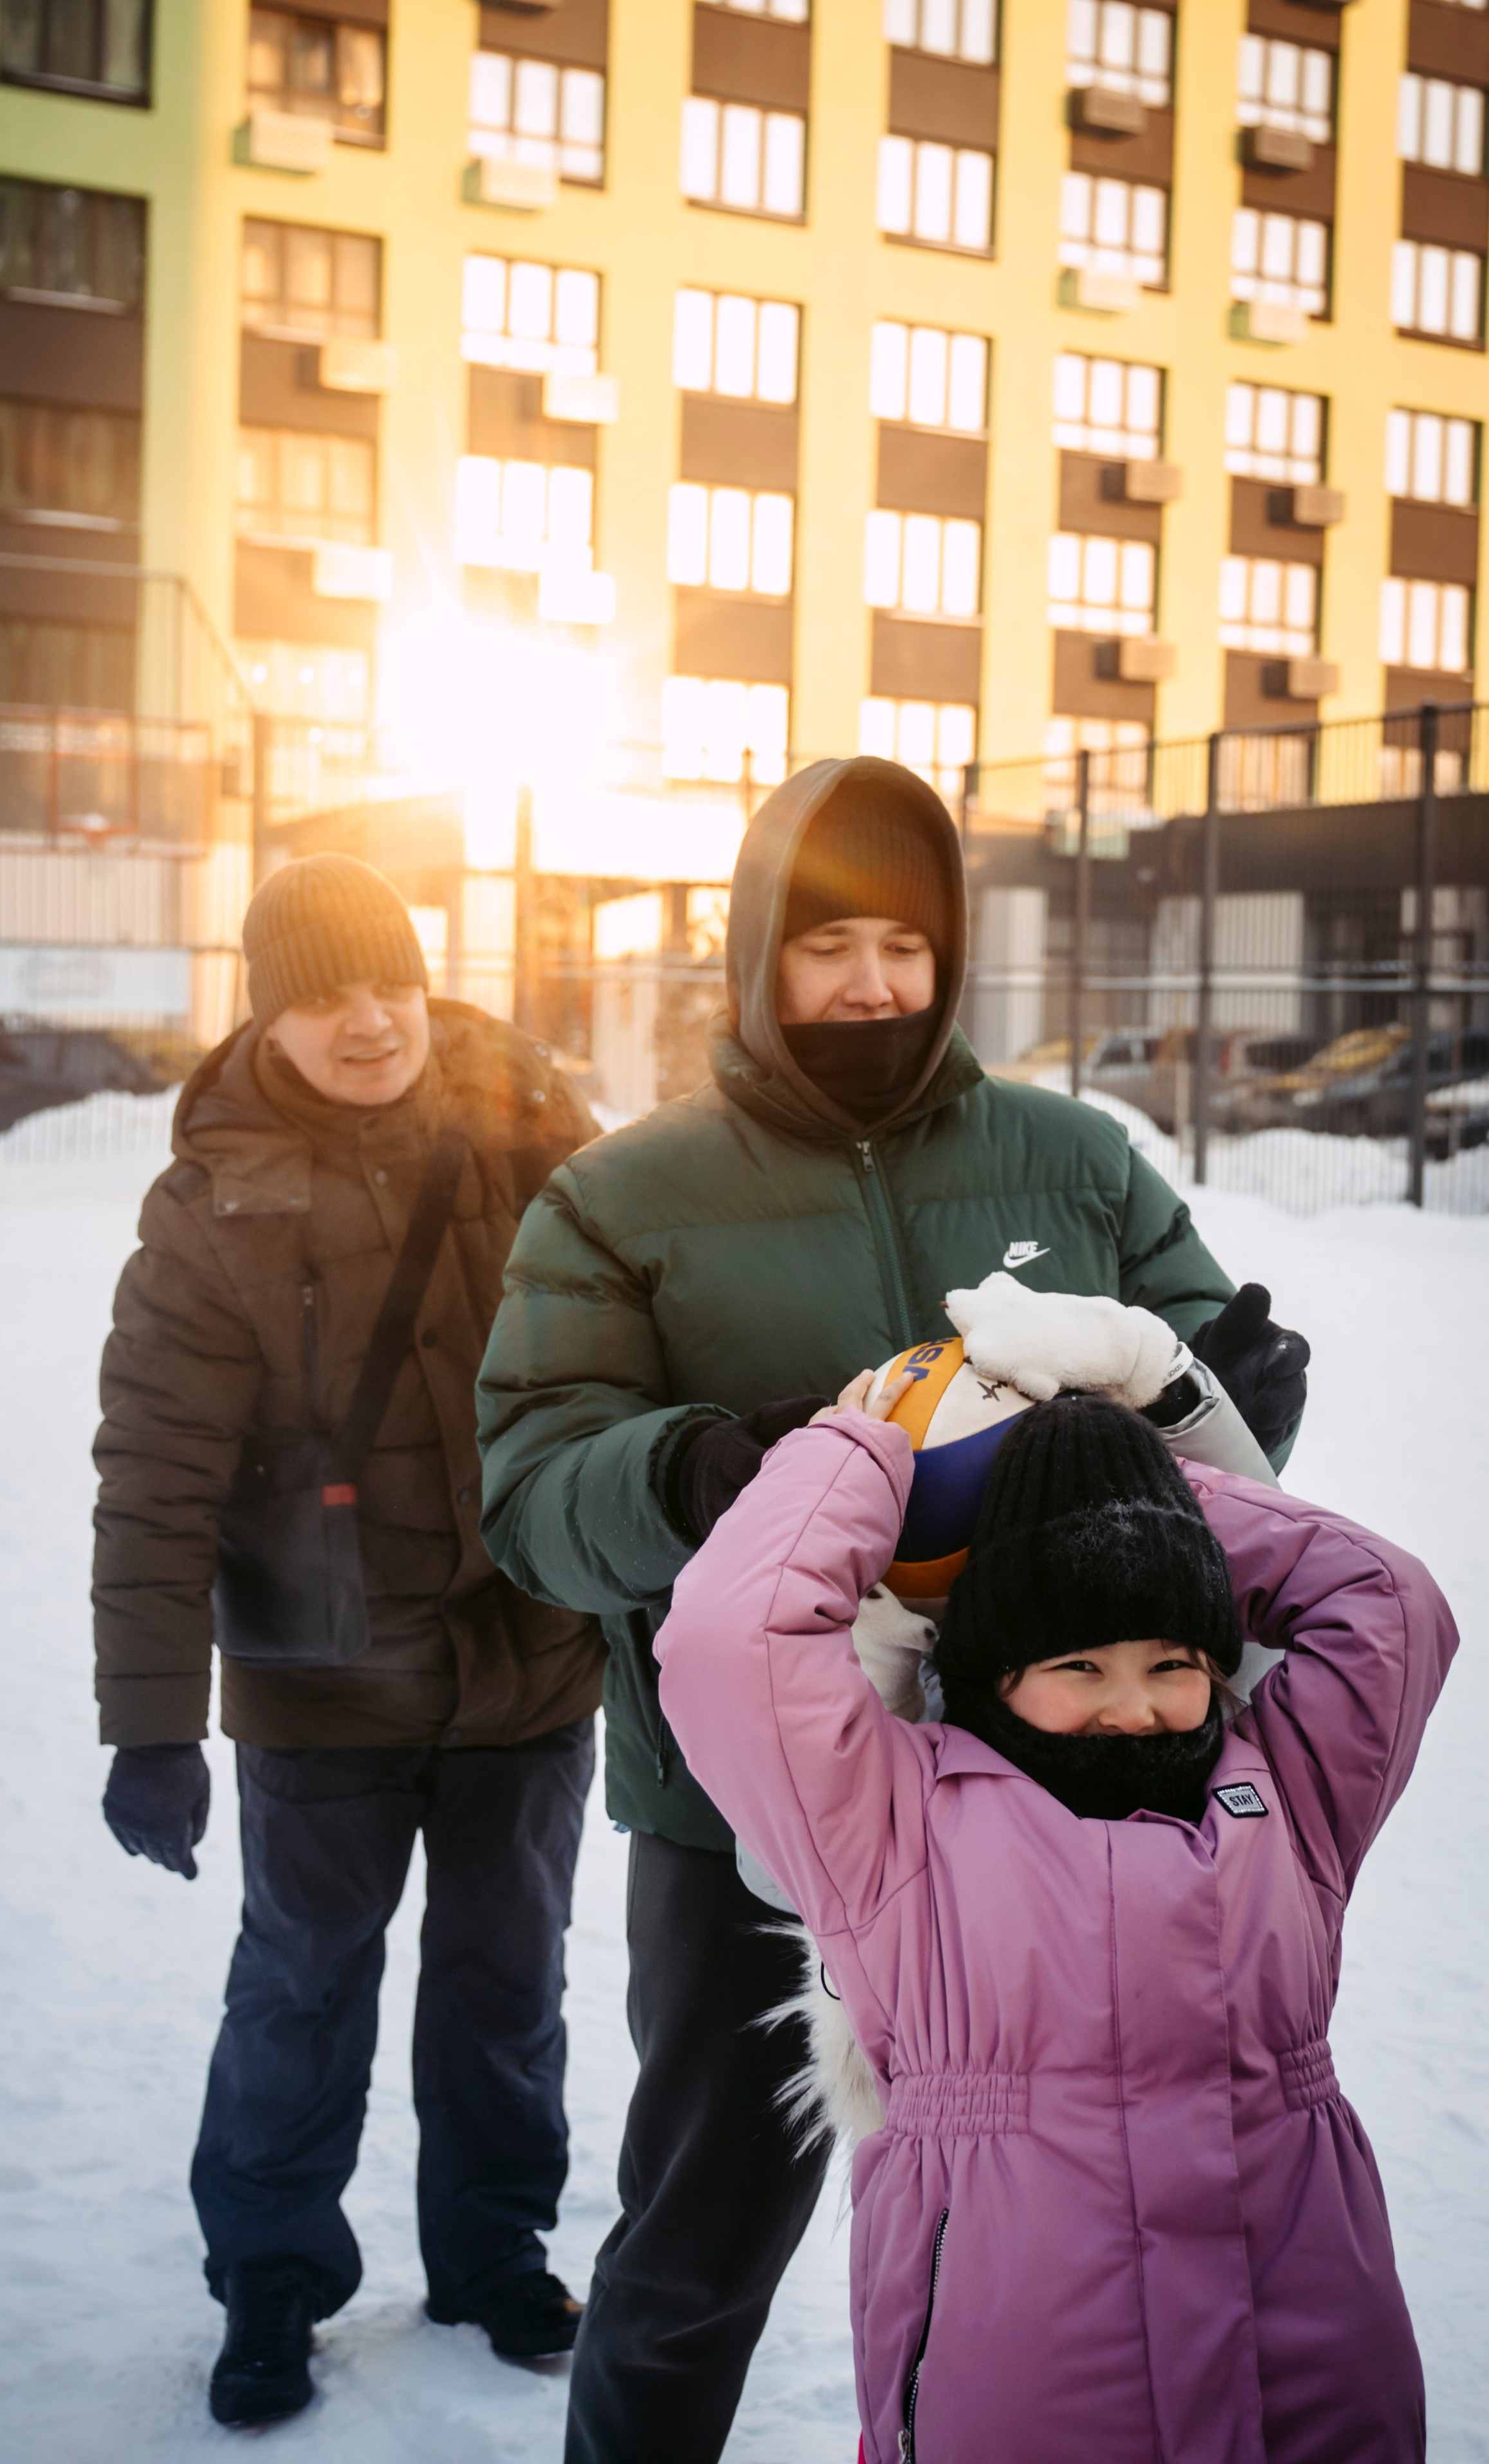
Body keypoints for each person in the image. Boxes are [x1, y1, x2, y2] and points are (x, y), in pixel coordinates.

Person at [475, 755, 1311, 2462]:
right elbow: (532, 1500)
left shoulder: (1075, 1160)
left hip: (1069, 1791)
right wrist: (700, 1470)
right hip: (752, 1820)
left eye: (906, 947)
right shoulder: (621, 1197)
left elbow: (1199, 1429)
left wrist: (1237, 1399)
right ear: (755, 954)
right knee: (700, 2242)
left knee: (1105, 2242)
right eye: (826, 945)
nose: (872, 985)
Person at [654, 1381, 1456, 2464]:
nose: (1134, 1706)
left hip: (1312, 2372)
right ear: (996, 1674)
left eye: (1173, 1664)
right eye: (1080, 1666)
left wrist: (1145, 1483)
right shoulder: (891, 1826)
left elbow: (1391, 1603)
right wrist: (871, 1455)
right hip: (1029, 2386)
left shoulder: (1290, 1797)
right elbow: (728, 1639)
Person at [92, 853, 603, 2428]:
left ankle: (494, 2249)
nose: (370, 1021)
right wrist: (154, 1723)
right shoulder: (210, 1206)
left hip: (525, 1651)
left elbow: (648, 1339)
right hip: (319, 1677)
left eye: (389, 983)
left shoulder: (532, 1129)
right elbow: (156, 1472)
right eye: (325, 998)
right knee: (301, 1989)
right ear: (269, 1013)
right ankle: (269, 2275)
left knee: (507, 1983)